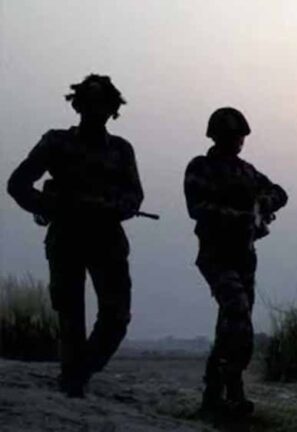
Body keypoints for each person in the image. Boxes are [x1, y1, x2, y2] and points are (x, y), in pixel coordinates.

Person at [7, 74, 144, 397]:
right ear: (78, 105)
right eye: (89, 103)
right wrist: (50, 206)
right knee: (70, 314)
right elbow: (18, 184)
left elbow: (134, 197)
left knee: (116, 317)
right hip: (66, 236)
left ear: (112, 109)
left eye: (103, 104)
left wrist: (108, 207)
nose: (95, 110)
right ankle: (72, 381)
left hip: (107, 238)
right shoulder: (56, 142)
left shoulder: (121, 149)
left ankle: (80, 372)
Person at [184, 107, 288, 416]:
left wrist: (263, 203)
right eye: (231, 136)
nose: (237, 141)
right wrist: (238, 217)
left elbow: (280, 193)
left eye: (239, 136)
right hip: (215, 255)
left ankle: (218, 394)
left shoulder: (247, 171)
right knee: (237, 312)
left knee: (232, 325)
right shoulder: (201, 167)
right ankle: (231, 389)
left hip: (244, 256)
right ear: (216, 136)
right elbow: (196, 208)